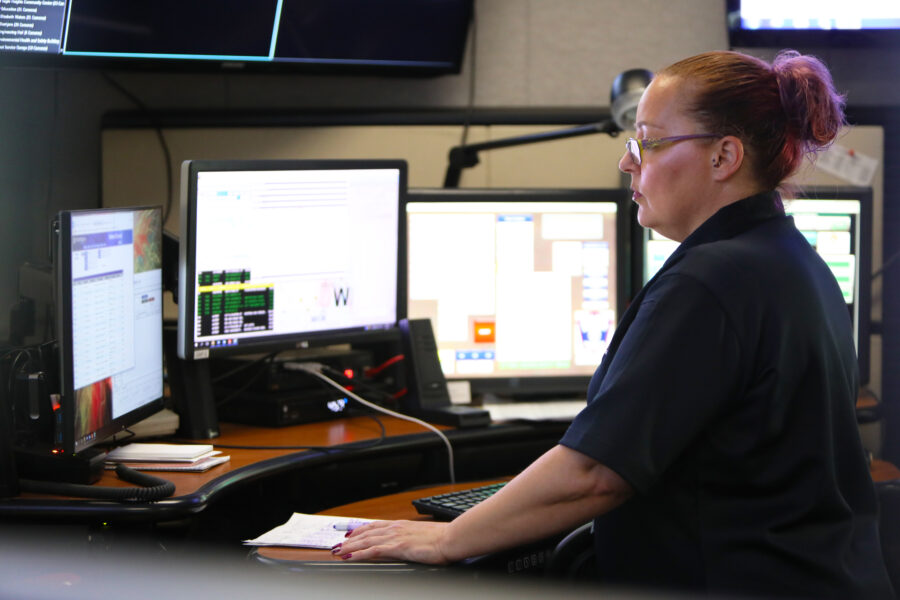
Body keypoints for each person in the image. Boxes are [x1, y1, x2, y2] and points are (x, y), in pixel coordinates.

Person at [334, 50, 895, 598]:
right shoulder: (792, 258)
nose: (628, 161)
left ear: (724, 157)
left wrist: (449, 539)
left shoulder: (710, 281)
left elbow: (596, 473)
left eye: (648, 141)